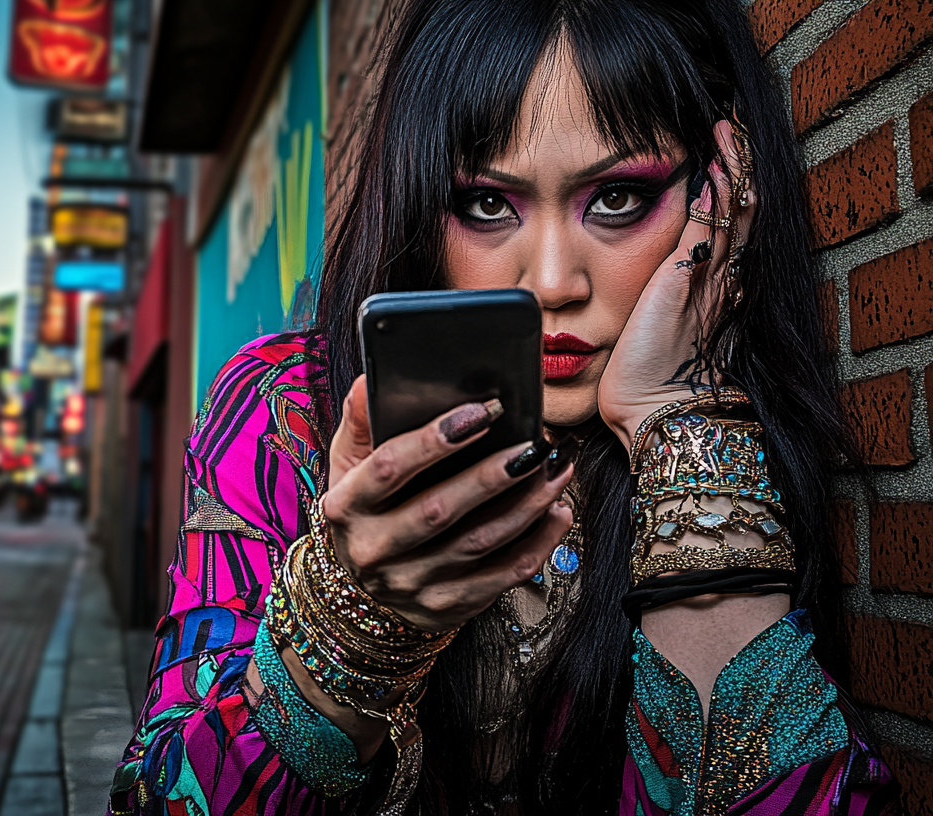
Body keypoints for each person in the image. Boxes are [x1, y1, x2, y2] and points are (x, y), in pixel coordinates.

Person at [110, 1, 904, 814]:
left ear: (721, 193)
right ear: (426, 208)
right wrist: (349, 624)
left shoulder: (739, 421)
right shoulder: (289, 409)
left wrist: (682, 428)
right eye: (489, 204)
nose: (554, 280)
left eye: (620, 198)